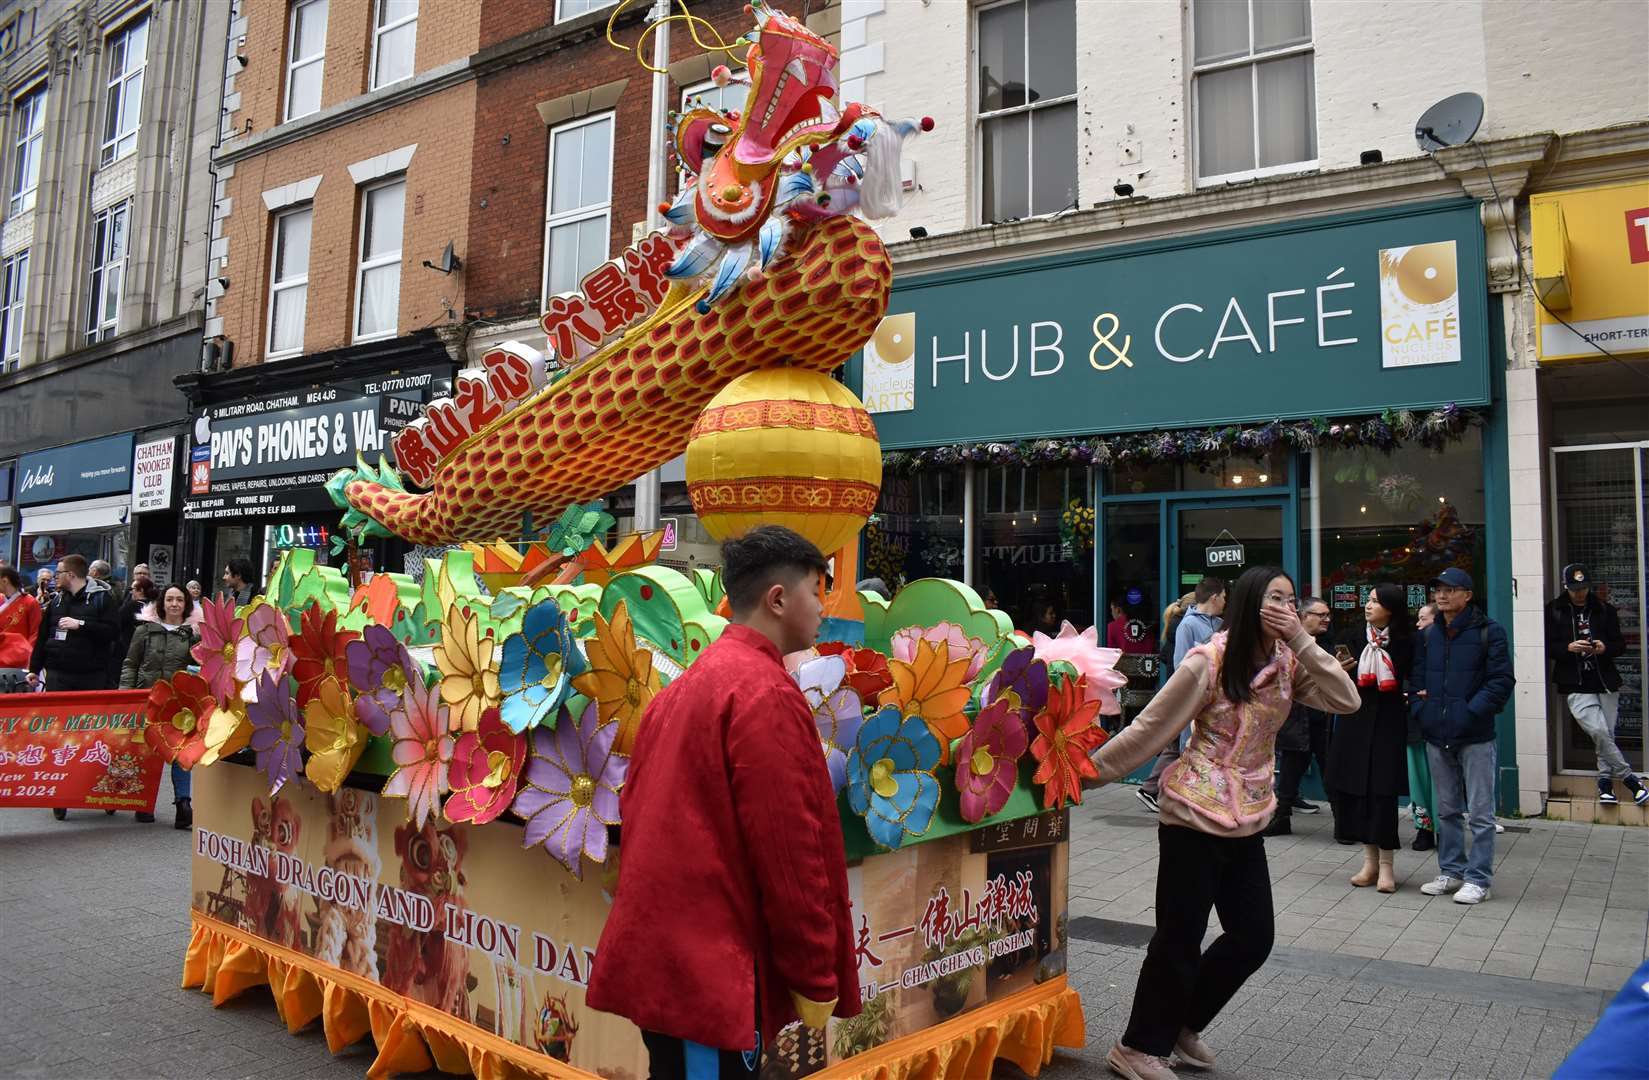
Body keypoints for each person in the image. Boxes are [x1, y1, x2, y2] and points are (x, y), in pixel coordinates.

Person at [587, 526, 858, 1076]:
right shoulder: (763, 692)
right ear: (777, 599)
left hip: (676, 960)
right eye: (817, 589)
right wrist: (814, 975)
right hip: (710, 974)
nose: (824, 607)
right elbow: (789, 854)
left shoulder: (689, 684)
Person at [1087, 566, 1359, 1080]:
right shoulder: (1207, 661)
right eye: (1274, 597)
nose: (1284, 606)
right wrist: (1081, 778)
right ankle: (1137, 1046)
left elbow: (1347, 699)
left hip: (1248, 815)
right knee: (1179, 936)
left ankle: (1182, 1023)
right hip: (1192, 812)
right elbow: (1150, 729)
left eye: (1290, 599)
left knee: (1253, 937)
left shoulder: (1286, 661)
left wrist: (1301, 639)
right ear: (1249, 602)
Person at [1411, 568, 1514, 906]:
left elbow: (1501, 681)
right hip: (1436, 733)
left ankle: (1478, 878)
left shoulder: (1489, 632)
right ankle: (1451, 870)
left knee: (1481, 814)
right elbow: (1417, 678)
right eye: (1437, 590)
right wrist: (1420, 709)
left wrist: (1470, 712)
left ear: (1467, 594)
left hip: (1475, 735)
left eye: (1450, 590)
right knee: (1447, 809)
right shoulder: (1429, 635)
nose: (1442, 596)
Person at [1323, 585, 1413, 892]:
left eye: (1376, 601)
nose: (1369, 606)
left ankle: (1387, 866)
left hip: (1389, 724)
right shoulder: (1352, 636)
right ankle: (1369, 862)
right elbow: (1336, 679)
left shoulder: (1407, 639)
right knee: (1358, 792)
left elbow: (1414, 678)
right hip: (1355, 722)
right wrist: (1341, 670)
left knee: (1383, 793)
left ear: (1391, 607)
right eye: (1368, 600)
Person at [1545, 564, 1647, 806]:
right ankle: (1630, 780)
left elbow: (1620, 645)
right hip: (1575, 682)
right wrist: (1568, 648)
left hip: (1605, 680)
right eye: (1574, 589)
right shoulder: (1555, 610)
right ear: (1565, 587)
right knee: (1599, 731)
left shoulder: (1604, 609)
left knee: (1606, 734)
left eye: (1583, 588)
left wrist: (1604, 648)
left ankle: (1605, 784)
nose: (1580, 593)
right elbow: (1546, 646)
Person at [28, 555, 120, 821]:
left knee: (93, 735)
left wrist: (81, 625)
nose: (55, 577)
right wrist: (35, 669)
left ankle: (103, 791)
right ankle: (61, 793)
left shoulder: (102, 599)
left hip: (92, 677)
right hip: (58, 675)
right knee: (58, 735)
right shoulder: (56, 601)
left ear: (71, 574)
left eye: (59, 573)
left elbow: (113, 632)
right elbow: (43, 636)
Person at [1137, 578, 1226, 814]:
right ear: (1214, 597)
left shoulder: (1220, 624)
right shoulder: (1188, 625)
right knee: (1187, 745)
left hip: (1215, 699)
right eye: (1224, 596)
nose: (1226, 601)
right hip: (1194, 698)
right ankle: (1181, 795)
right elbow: (1181, 665)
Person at [120, 584, 200, 830]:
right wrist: (126, 695)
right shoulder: (144, 631)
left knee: (180, 752)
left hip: (179, 703)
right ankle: (143, 804)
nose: (174, 604)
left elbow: (201, 667)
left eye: (179, 600)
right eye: (169, 599)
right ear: (161, 603)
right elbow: (131, 664)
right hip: (148, 698)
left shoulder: (194, 634)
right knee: (147, 750)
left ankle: (183, 805)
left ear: (186, 604)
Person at [1263, 596, 1335, 837]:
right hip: (1294, 718)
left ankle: (1344, 822)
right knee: (1291, 770)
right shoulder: (1284, 645)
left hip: (1322, 719)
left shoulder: (1329, 644)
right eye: (1320, 615)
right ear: (1303, 617)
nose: (1326, 619)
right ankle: (1281, 818)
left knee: (1330, 770)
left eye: (1328, 615)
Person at [108, 577, 158, 688]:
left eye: (133, 589)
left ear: (140, 590)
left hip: (127, 649)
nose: (131, 592)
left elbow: (116, 623)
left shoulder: (131, 606)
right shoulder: (155, 607)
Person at [0, 567, 44, 670]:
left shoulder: (30, 602)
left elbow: (35, 633)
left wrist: (30, 659)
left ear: (5, 580)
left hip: (19, 658)